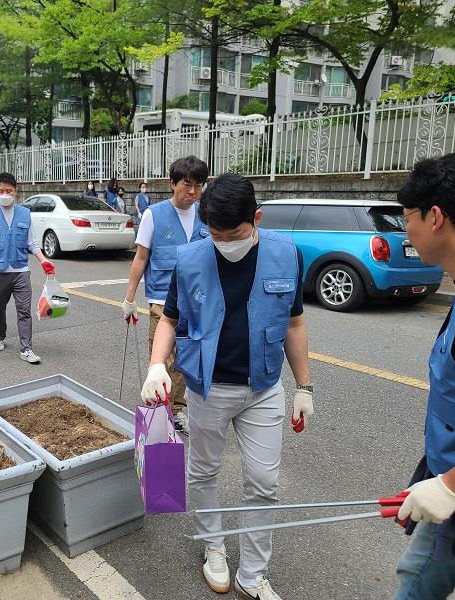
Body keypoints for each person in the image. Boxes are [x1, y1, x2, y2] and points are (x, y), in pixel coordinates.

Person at [142, 173, 312, 600]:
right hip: (207, 388)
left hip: (263, 388)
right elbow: (169, 318)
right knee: (204, 472)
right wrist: (156, 366)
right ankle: (213, 547)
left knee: (264, 482)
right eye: (214, 234)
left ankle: (252, 574)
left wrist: (305, 387)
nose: (224, 243)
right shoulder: (190, 258)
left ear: (256, 218)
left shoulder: (286, 254)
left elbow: (293, 323)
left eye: (233, 234)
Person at [391, 153, 455, 599]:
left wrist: (452, 486)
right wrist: (433, 479)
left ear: (435, 217)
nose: (407, 230)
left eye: (407, 218)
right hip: (445, 496)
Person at [122, 156, 209, 433]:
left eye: (199, 186)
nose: (192, 192)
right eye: (187, 185)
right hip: (161, 301)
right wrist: (129, 297)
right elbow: (141, 257)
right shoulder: (153, 215)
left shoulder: (205, 216)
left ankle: (177, 409)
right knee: (161, 361)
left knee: (186, 362)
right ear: (173, 184)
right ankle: (159, 414)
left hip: (196, 303)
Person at [0, 172, 55, 364]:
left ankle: (26, 349)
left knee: (24, 310)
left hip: (20, 270)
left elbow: (33, 243)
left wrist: (43, 260)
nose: (5, 194)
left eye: (9, 191)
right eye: (1, 190)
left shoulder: (25, 214)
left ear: (15, 192)